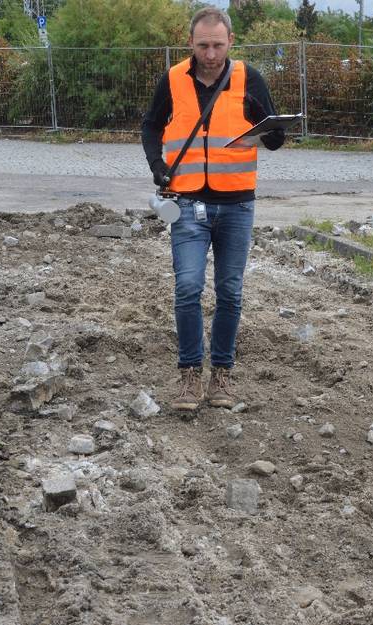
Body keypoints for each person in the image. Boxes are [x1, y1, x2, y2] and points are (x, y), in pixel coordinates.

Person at [141, 7, 285, 412]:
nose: (210, 53)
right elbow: (151, 126)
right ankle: (189, 375)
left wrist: (271, 128)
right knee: (188, 287)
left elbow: (275, 137)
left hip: (237, 204)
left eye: (217, 45)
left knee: (229, 292)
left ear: (231, 41)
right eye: (203, 45)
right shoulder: (171, 79)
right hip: (186, 201)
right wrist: (158, 167)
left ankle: (221, 374)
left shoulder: (249, 78)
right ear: (191, 43)